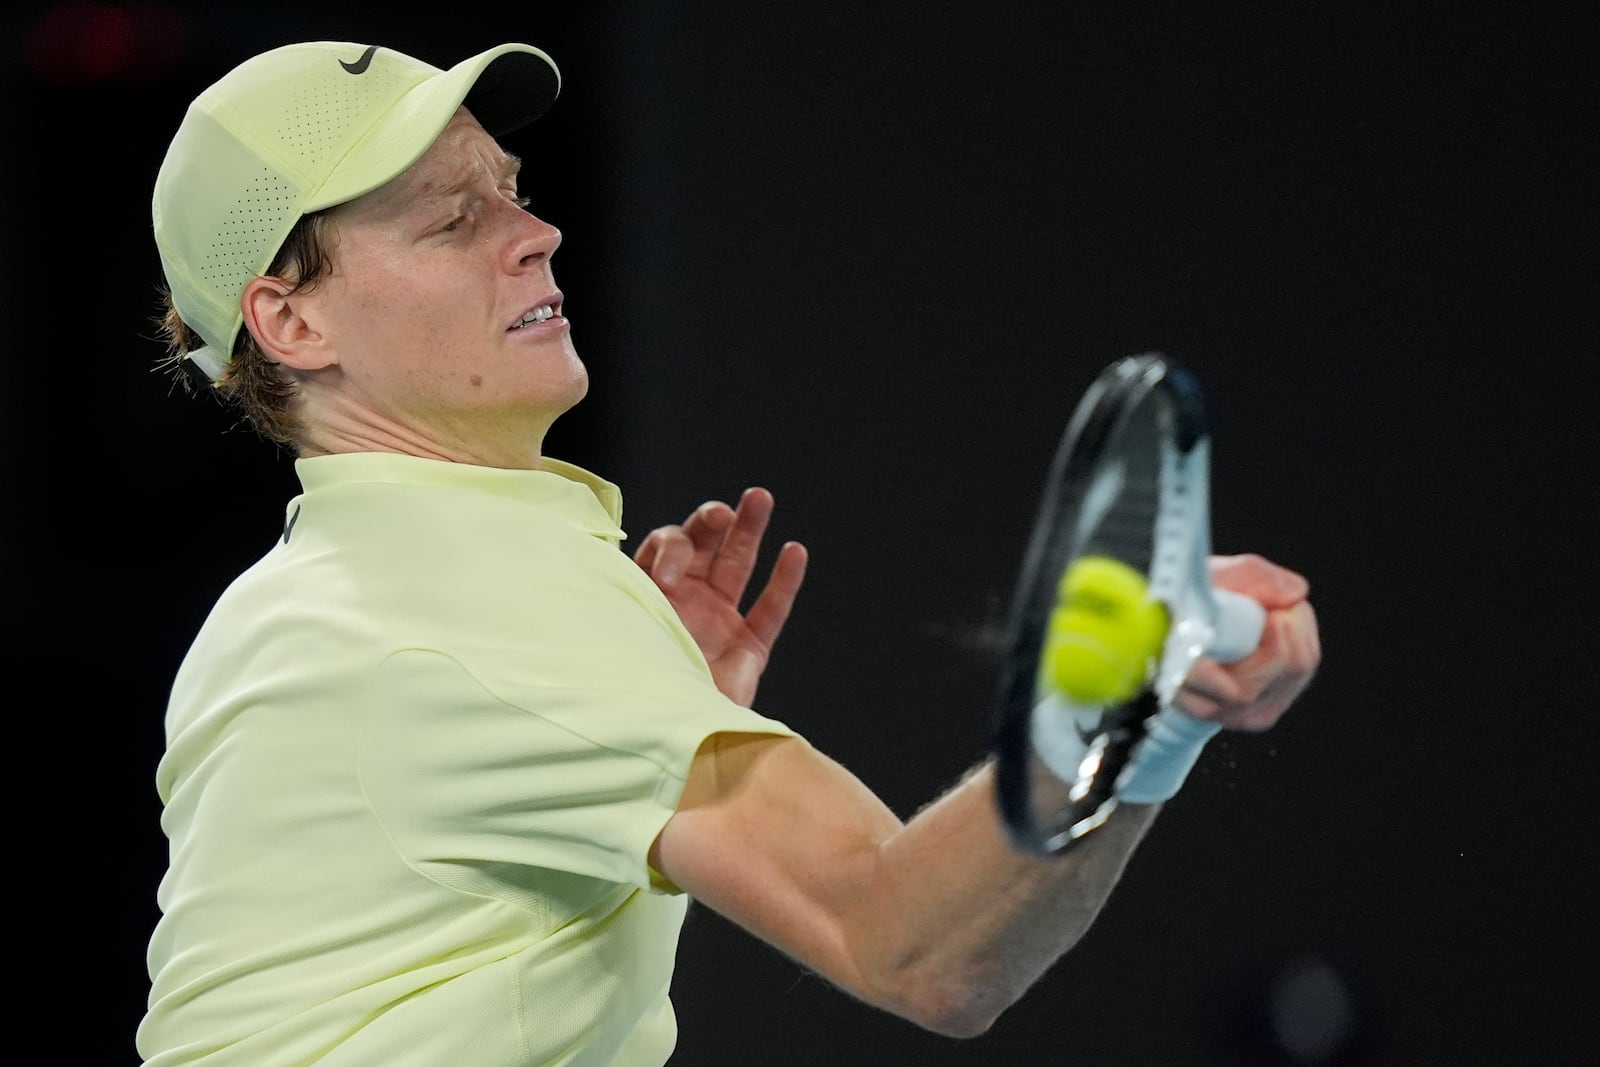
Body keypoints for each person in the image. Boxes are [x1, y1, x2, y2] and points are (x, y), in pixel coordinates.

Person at [137, 39, 1321, 1067]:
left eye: (512, 190)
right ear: (292, 320)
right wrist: (1138, 707)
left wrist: (647, 705)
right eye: (453, 218)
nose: (538, 233)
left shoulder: (286, 601)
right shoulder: (470, 608)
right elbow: (913, 947)